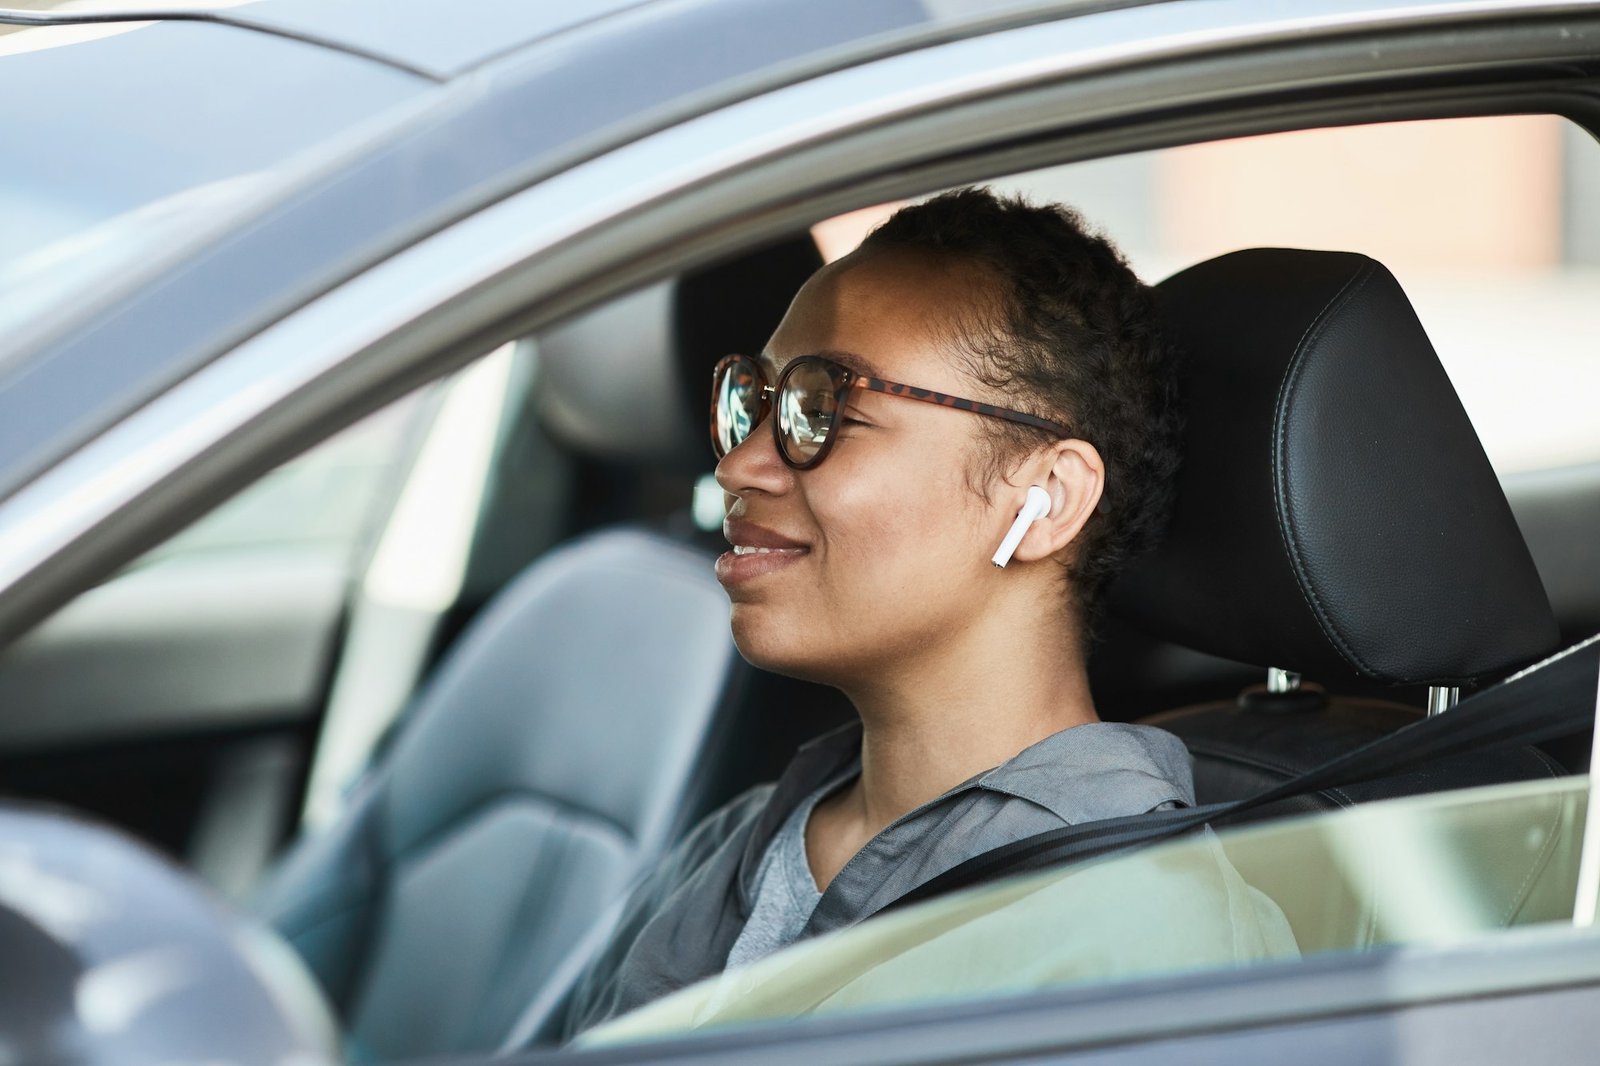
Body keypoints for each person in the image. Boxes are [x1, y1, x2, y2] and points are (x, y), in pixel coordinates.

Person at [558, 187, 1188, 1038]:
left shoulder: (1128, 933)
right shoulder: (742, 841)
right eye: (755, 399)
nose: (740, 466)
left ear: (1043, 496)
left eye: (824, 410)